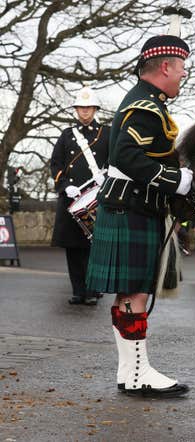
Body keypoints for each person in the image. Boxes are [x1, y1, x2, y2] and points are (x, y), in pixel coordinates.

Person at [85, 34, 192, 397]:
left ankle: (132, 371)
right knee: (134, 294)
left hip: (129, 205)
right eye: (180, 68)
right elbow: (126, 157)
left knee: (131, 295)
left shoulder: (145, 101)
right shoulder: (144, 106)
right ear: (165, 67)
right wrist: (178, 181)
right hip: (131, 206)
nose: (182, 74)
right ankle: (136, 375)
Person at [50, 87, 109, 306]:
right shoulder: (66, 135)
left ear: (95, 109)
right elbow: (55, 164)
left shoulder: (107, 133)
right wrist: (64, 186)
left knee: (94, 248)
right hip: (71, 199)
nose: (84, 112)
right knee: (73, 248)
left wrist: (107, 180)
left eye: (88, 108)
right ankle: (78, 291)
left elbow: (115, 162)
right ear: (76, 110)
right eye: (80, 108)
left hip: (96, 199)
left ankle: (92, 291)